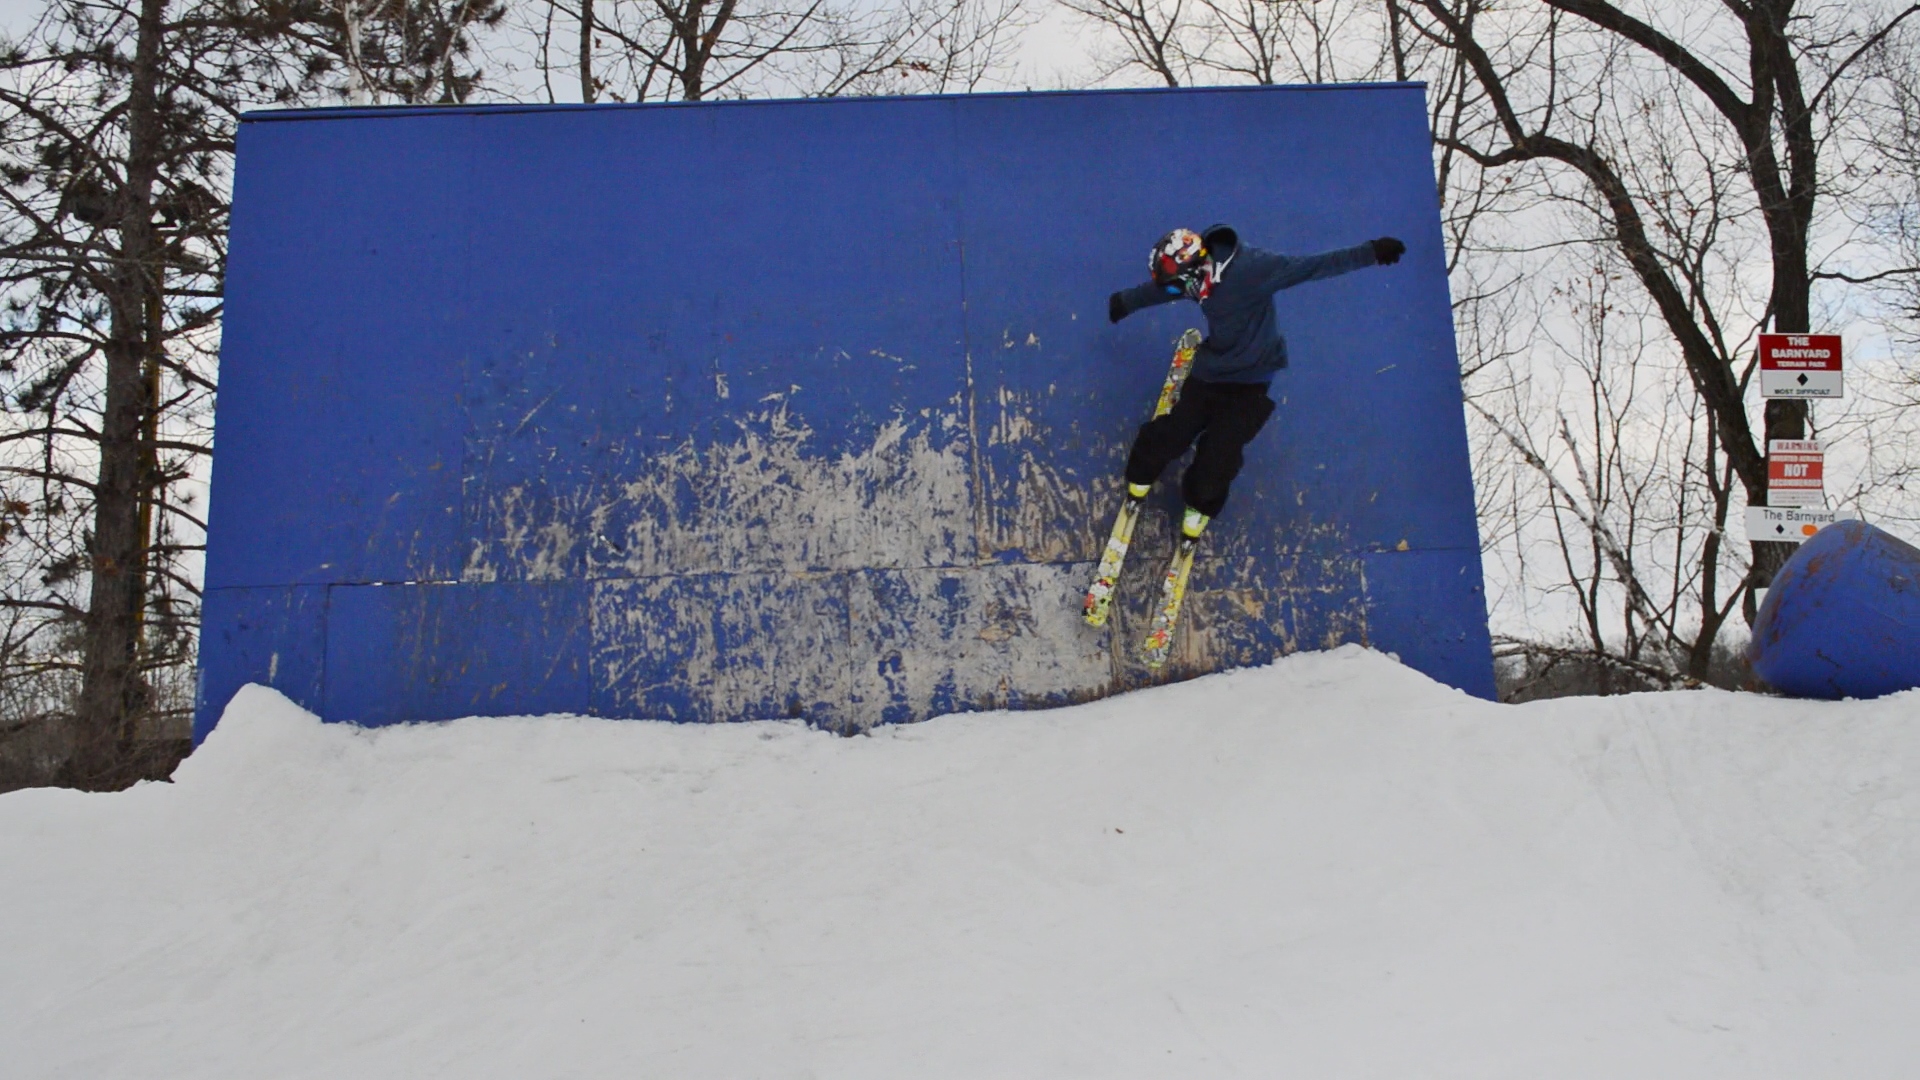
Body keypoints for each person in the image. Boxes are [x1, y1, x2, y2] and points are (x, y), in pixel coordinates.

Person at [1107, 225, 1405, 539]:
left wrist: (1372, 251)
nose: (1179, 292)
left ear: (1195, 269)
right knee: (1172, 434)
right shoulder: (1194, 278)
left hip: (1250, 384)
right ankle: (1140, 476)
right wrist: (1124, 302)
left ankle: (1200, 505)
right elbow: (1163, 289)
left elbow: (1313, 266)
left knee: (1218, 458)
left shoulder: (1253, 269)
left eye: (1178, 286)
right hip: (1209, 374)